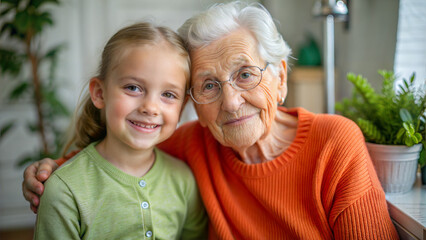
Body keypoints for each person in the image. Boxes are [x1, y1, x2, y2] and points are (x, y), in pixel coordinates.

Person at [23, 2, 399, 239]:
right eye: (208, 85)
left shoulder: (335, 142)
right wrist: (52, 170)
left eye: (246, 74)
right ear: (193, 105)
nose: (232, 102)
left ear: (280, 77)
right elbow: (116, 157)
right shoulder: (194, 143)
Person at [32, 22, 207, 239]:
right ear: (99, 93)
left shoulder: (184, 180)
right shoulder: (64, 190)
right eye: (133, 88)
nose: (150, 108)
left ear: (183, 107)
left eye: (168, 95)